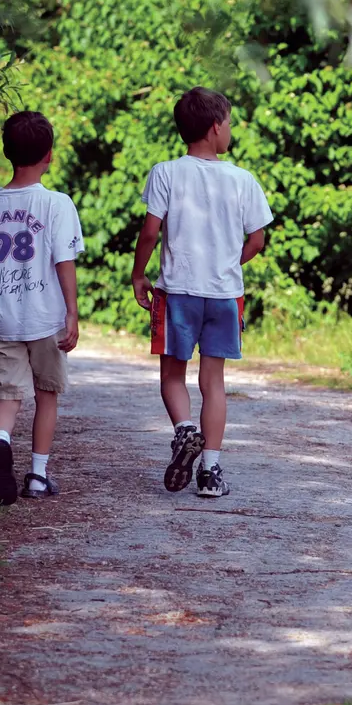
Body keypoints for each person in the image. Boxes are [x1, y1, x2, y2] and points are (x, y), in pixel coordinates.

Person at [130, 87, 272, 499]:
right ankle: (210, 472)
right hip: (225, 294)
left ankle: (185, 430)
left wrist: (139, 274)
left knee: (172, 375)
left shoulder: (166, 173)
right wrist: (228, 263)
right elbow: (257, 240)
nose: (230, 130)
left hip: (177, 293)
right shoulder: (243, 180)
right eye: (228, 123)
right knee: (214, 382)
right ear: (215, 128)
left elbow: (151, 231)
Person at [0, 111, 84, 503]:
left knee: (7, 396)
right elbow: (64, 260)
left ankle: (0, 441)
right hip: (46, 319)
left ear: (5, 152)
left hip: (5, 319)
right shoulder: (57, 204)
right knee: (47, 393)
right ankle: (37, 475)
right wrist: (72, 311)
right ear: (49, 155)